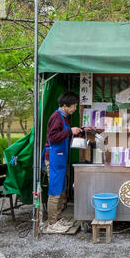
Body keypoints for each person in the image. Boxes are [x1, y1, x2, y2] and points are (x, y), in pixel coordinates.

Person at [42, 91, 93, 233]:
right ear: (65, 105)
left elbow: (66, 133)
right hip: (53, 156)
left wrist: (82, 130)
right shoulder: (56, 117)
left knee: (60, 188)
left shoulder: (65, 117)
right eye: (74, 106)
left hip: (60, 157)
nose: (75, 109)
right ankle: (52, 223)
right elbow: (53, 137)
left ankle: (58, 219)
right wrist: (70, 131)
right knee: (54, 190)